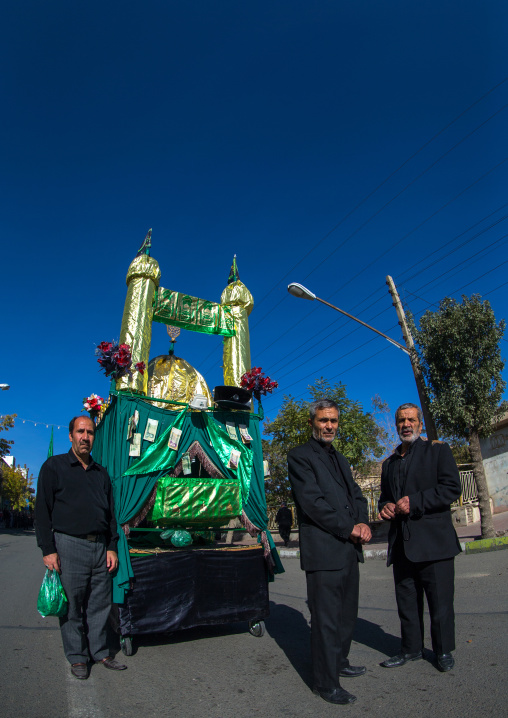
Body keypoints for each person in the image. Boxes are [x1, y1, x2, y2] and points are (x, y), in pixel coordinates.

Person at [287, 399, 371, 706]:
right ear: (312, 423)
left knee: (346, 614)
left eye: (333, 421)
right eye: (323, 420)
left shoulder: (342, 459)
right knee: (325, 618)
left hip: (348, 549)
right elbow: (313, 503)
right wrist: (348, 528)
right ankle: (325, 683)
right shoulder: (299, 456)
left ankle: (340, 661)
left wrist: (362, 521)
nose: (329, 426)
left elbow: (357, 495)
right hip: (324, 550)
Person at [35, 415, 127, 680]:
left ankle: (101, 652)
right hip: (68, 545)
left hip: (100, 548)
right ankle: (77, 657)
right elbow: (42, 512)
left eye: (90, 433)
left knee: (99, 604)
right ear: (70, 435)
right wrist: (48, 549)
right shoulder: (54, 467)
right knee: (73, 606)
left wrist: (111, 546)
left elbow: (110, 515)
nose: (85, 437)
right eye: (80, 431)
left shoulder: (101, 473)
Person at [378, 403, 462, 673]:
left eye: (411, 420)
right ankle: (411, 648)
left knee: (440, 602)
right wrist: (386, 506)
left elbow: (451, 488)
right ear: (396, 424)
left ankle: (443, 650)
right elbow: (384, 498)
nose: (406, 424)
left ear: (420, 424)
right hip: (402, 544)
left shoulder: (438, 451)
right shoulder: (389, 463)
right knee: (406, 601)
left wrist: (414, 502)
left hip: (434, 543)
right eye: (401, 420)